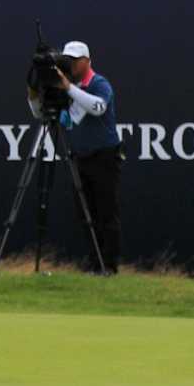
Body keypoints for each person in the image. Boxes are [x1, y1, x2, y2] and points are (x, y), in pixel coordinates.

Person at [40, 39, 121, 271]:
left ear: (87, 61)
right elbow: (64, 119)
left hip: (105, 157)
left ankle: (110, 266)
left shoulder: (99, 83)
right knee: (87, 215)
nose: (71, 65)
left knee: (107, 212)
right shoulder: (71, 88)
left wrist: (69, 88)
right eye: (68, 60)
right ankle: (95, 264)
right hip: (81, 158)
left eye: (75, 61)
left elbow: (98, 107)